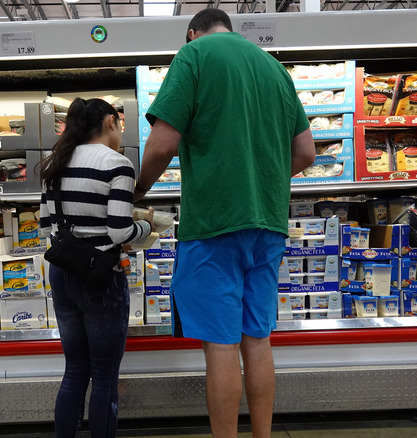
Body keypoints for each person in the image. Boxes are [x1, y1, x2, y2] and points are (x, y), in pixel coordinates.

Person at [133, 9, 316, 438]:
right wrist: (262, 178)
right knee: (256, 337)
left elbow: (162, 145)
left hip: (215, 222)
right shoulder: (274, 68)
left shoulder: (194, 55)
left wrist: (138, 190)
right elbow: (306, 152)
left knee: (220, 344)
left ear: (191, 33)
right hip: (268, 222)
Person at [38, 97, 155, 438]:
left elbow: (47, 226)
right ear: (108, 122)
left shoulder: (54, 163)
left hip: (62, 272)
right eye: (119, 123)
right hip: (101, 275)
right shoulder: (117, 164)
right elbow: (120, 230)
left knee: (75, 369)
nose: (121, 130)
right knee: (104, 375)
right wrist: (147, 228)